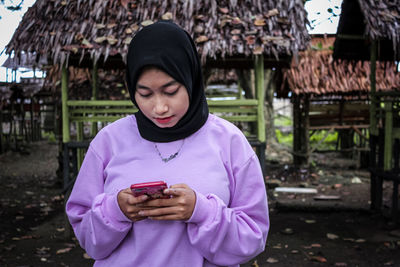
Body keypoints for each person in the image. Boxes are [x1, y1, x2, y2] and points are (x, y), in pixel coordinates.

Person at [66, 21, 269, 267]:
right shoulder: (109, 142)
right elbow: (87, 238)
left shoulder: (229, 142)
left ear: (191, 79)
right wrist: (115, 210)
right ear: (132, 89)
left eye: (171, 91)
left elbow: (253, 239)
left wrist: (202, 212)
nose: (160, 107)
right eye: (145, 94)